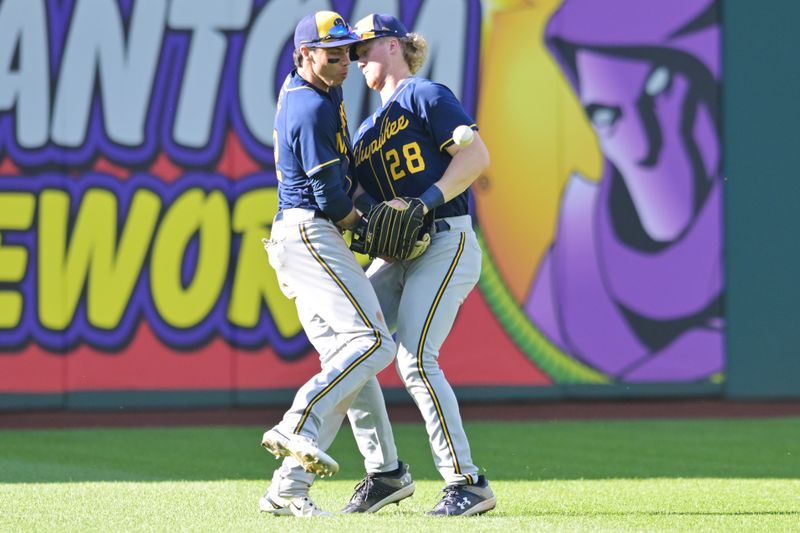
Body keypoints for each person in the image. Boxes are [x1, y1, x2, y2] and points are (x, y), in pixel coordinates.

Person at [340, 14, 496, 516]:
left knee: (414, 359)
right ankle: (385, 473)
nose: (358, 57)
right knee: (353, 346)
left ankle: (467, 483)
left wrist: (425, 200)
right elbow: (357, 202)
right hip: (397, 254)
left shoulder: (426, 95)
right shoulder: (365, 133)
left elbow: (475, 159)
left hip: (446, 240)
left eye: (364, 46)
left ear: (392, 45)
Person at [525, 0, 723, 382]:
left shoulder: (770, 251)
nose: (643, 144)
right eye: (607, 115)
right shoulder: (568, 277)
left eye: (662, 90)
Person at [259, 10, 403, 518]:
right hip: (309, 230)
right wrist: (370, 230)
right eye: (332, 53)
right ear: (304, 56)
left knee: (347, 359)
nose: (344, 62)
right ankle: (297, 423)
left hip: (293, 236)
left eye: (347, 51)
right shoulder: (311, 108)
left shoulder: (312, 85)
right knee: (372, 342)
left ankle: (293, 486)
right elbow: (332, 200)